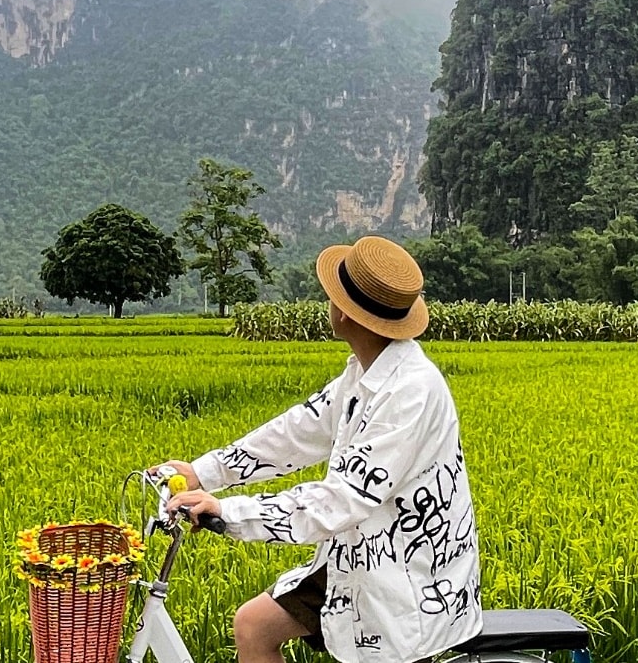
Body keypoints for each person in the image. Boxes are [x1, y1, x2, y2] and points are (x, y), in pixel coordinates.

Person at [153, 235, 483, 663]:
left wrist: (229, 512)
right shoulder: (364, 373)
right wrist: (205, 471)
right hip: (354, 558)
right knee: (254, 626)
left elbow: (343, 498)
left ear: (344, 313)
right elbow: (299, 430)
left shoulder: (409, 390)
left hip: (406, 578)